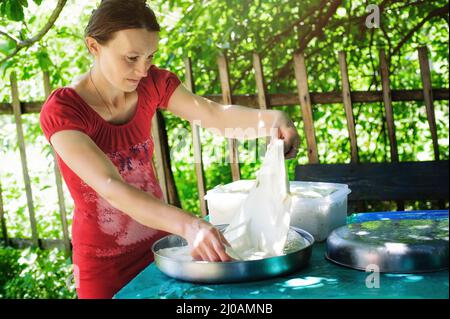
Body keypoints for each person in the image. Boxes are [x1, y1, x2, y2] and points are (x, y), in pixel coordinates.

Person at [39, 0, 300, 299]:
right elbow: (110, 186)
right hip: (104, 266)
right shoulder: (64, 111)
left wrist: (272, 120)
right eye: (131, 57)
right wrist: (190, 226)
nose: (142, 69)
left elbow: (214, 115)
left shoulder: (152, 83)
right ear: (94, 47)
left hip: (162, 253)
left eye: (150, 56)